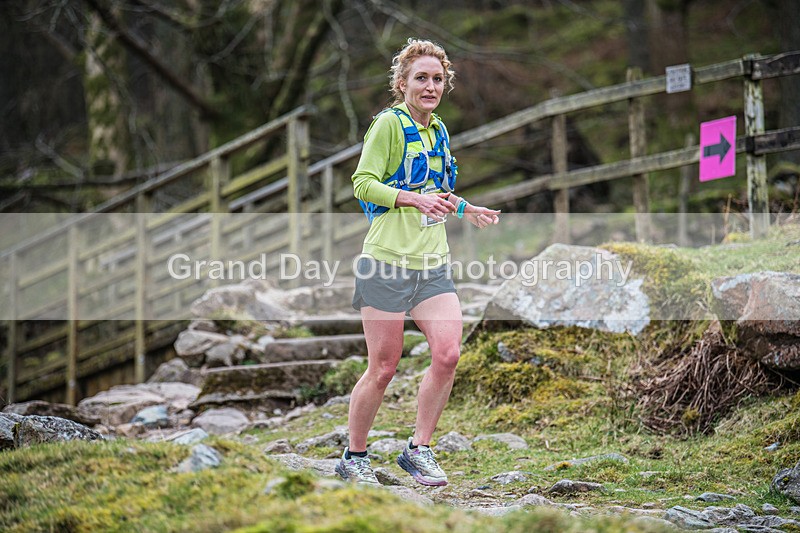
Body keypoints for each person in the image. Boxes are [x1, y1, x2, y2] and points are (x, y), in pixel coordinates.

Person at [335, 38, 500, 487]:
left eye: (438, 79)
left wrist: (465, 208)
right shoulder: (388, 125)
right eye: (421, 78)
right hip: (385, 263)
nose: (430, 86)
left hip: (432, 265)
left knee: (448, 354)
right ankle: (354, 456)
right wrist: (410, 200)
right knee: (383, 368)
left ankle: (418, 449)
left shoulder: (438, 130)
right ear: (402, 83)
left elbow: (435, 190)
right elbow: (362, 183)